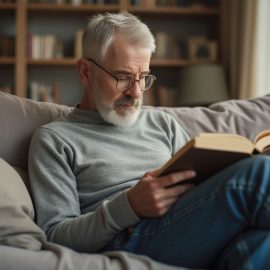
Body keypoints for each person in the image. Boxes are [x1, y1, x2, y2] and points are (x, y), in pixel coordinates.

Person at [28, 12, 270, 270]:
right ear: (86, 72)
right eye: (123, 77)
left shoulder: (162, 123)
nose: (135, 92)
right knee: (257, 174)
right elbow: (55, 235)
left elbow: (203, 192)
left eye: (143, 77)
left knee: (260, 243)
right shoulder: (54, 140)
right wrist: (129, 206)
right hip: (128, 238)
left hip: (189, 225)